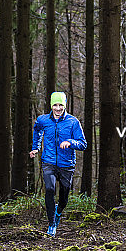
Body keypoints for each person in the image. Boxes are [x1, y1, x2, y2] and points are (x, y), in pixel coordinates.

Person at [30, 91, 87, 236]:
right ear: (51, 105)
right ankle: (51, 225)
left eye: (61, 105)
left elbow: (83, 144)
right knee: (49, 189)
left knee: (64, 195)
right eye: (55, 105)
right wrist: (35, 148)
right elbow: (37, 131)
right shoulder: (43, 120)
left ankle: (58, 212)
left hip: (66, 164)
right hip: (48, 161)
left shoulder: (73, 122)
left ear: (65, 105)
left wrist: (70, 142)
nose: (58, 108)